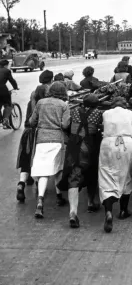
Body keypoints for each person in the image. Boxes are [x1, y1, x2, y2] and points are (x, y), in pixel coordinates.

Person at [58, 94, 102, 228]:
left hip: (74, 147)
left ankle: (73, 212)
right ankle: (90, 202)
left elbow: (66, 126)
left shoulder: (74, 110)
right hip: (89, 147)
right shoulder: (98, 113)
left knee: (74, 177)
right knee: (92, 173)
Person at [30, 81, 71, 218]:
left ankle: (40, 200)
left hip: (41, 139)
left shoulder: (40, 102)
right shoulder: (64, 105)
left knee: (43, 171)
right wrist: (57, 122)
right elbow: (65, 125)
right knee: (58, 168)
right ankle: (59, 196)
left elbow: (32, 121)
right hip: (57, 140)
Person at [99, 97, 132, 233]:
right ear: (125, 105)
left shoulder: (106, 114)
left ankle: (108, 212)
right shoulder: (130, 114)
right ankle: (123, 210)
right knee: (126, 175)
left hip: (108, 144)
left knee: (106, 175)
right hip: (127, 143)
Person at [15, 71, 53, 202]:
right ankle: (39, 184)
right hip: (39, 133)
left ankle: (21, 184)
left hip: (27, 132)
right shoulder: (48, 99)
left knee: (26, 160)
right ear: (51, 80)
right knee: (39, 160)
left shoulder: (33, 95)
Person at [0, 59, 19, 129]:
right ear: (5, 65)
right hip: (2, 90)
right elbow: (12, 80)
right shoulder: (7, 71)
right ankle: (5, 120)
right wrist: (16, 87)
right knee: (8, 104)